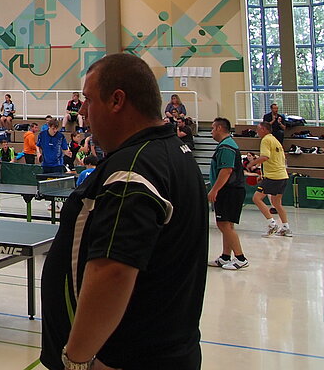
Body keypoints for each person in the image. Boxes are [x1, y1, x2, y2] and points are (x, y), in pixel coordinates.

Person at [40, 53, 208, 370]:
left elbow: (113, 271)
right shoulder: (173, 152)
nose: (83, 112)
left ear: (117, 100)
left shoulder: (132, 168)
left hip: (122, 358)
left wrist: (78, 361)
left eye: (89, 100)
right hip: (169, 350)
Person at [207, 117, 248, 269]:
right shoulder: (227, 144)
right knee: (227, 224)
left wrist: (214, 190)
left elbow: (226, 170)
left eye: (212, 128)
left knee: (223, 224)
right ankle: (225, 257)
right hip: (232, 190)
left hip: (229, 191)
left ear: (219, 128)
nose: (211, 132)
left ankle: (240, 258)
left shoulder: (226, 147)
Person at [247, 120, 293, 237]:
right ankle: (286, 228)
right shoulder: (275, 140)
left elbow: (265, 157)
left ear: (263, 129)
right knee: (277, 203)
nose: (257, 131)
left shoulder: (266, 140)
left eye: (258, 129)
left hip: (273, 177)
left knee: (256, 198)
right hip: (283, 176)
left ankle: (272, 224)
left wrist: (252, 163)